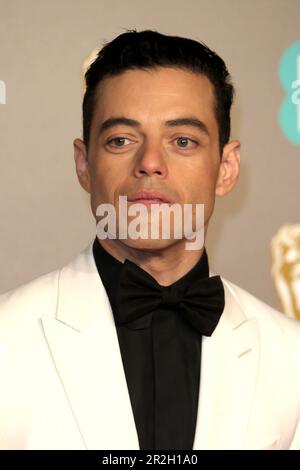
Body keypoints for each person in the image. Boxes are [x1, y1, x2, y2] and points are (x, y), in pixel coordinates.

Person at [1, 30, 300, 451]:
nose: (150, 163)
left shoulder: (291, 357)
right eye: (121, 140)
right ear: (84, 164)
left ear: (227, 168)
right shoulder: (6, 340)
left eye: (183, 141)